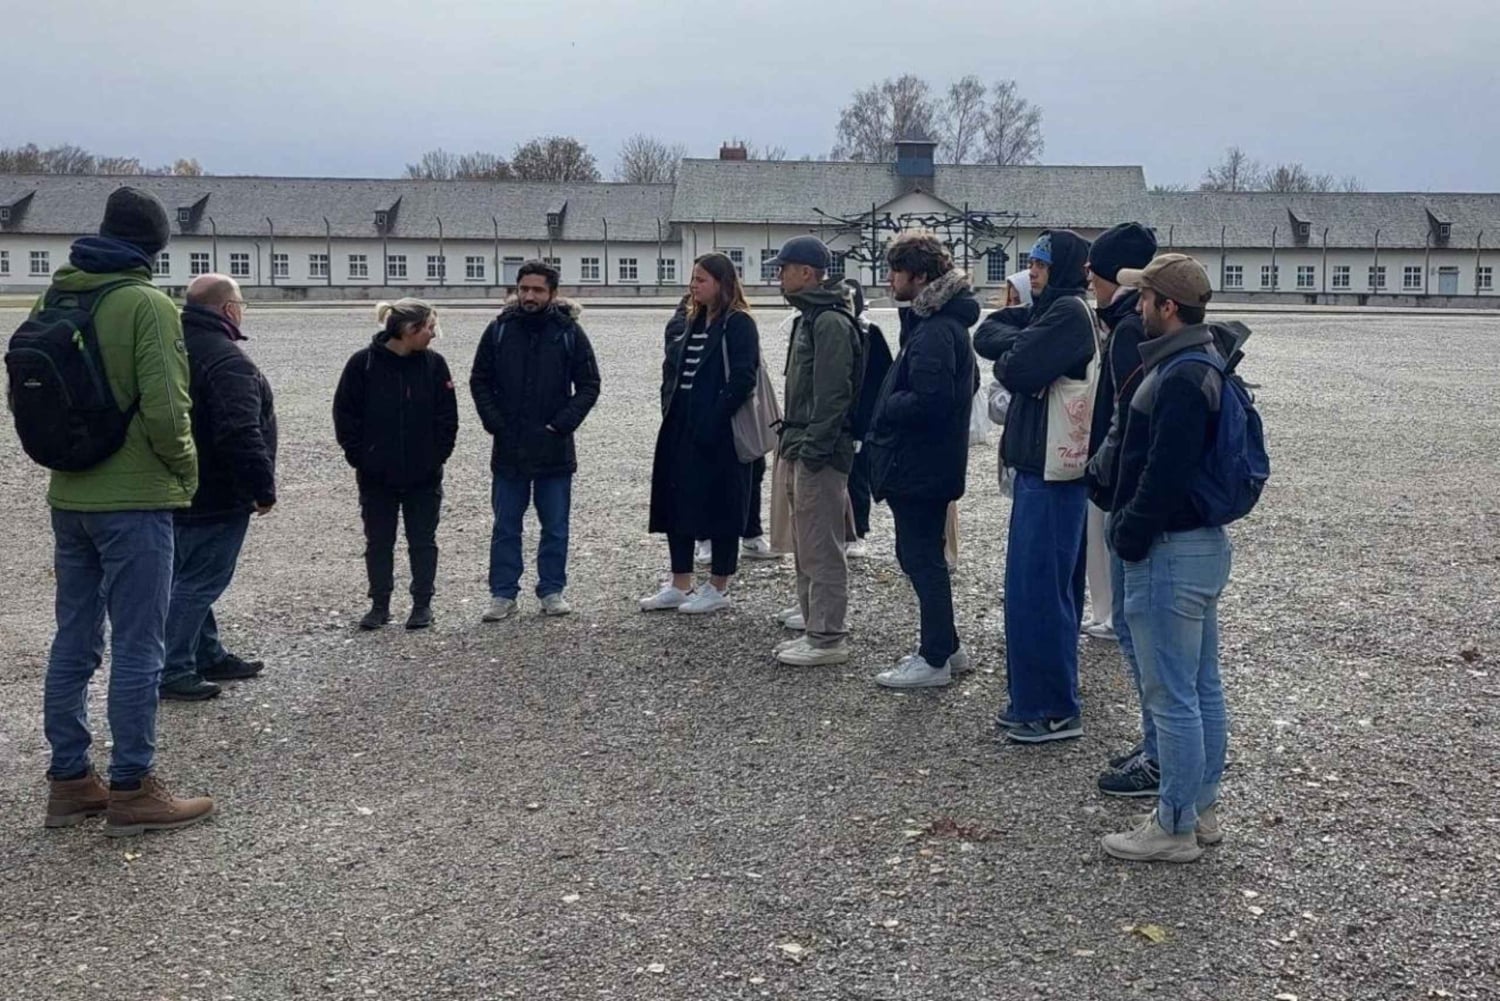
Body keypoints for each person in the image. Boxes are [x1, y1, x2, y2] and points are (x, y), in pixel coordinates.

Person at [38, 186, 214, 836]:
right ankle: (133, 786)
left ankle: (69, 781)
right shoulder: (147, 305)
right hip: (135, 499)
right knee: (140, 643)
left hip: (70, 493)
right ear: (154, 247)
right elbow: (169, 409)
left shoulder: (58, 295)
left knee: (74, 638)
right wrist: (186, 472)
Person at [1099, 253, 1231, 863]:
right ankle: (1199, 809)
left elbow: (1164, 472)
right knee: (1200, 687)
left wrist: (1129, 531)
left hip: (1169, 551)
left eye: (1146, 298)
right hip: (1200, 545)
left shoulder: (1180, 374)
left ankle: (1174, 825)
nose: (1138, 306)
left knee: (1172, 695)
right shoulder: (1205, 362)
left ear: (1168, 306)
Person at [974, 230, 1096, 743]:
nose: (1034, 272)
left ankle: (1050, 707)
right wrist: (1025, 340)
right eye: (1032, 263)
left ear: (1063, 268)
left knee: (1038, 592)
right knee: (1038, 589)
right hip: (1041, 471)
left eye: (1042, 264)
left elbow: (1017, 369)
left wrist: (1021, 349)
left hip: (1052, 473)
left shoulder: (1066, 313)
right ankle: (1034, 698)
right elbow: (987, 333)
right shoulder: (1053, 312)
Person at [865, 233, 979, 689]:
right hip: (929, 464)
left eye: (896, 271)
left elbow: (933, 400)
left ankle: (934, 658)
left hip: (920, 466)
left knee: (921, 558)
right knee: (923, 554)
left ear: (920, 276)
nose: (890, 280)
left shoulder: (935, 330)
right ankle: (948, 646)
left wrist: (887, 404)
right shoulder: (938, 323)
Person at [159, 274, 278, 702]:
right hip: (218, 492)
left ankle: (206, 653)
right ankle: (173, 669)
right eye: (240, 303)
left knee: (188, 575)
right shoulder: (226, 359)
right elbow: (239, 430)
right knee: (199, 582)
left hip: (178, 484)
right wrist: (261, 487)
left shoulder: (172, 347)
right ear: (229, 309)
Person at [470, 260, 601, 621]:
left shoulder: (569, 332)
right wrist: (495, 423)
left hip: (553, 447)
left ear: (552, 293)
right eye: (524, 289)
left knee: (555, 526)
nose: (529, 296)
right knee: (505, 526)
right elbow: (479, 380)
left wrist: (561, 425)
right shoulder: (499, 330)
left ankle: (552, 589)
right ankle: (503, 593)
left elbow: (589, 384)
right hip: (509, 446)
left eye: (537, 290)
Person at [1081, 223, 1161, 798]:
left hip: (1125, 496)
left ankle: (1159, 754)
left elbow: (1128, 420)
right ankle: (1156, 743)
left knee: (1141, 636)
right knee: (1139, 635)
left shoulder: (1131, 328)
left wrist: (1105, 476)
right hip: (1123, 491)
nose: (1089, 279)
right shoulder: (1129, 322)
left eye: (1096, 270)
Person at [641, 253, 762, 614]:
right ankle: (680, 582)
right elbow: (676, 370)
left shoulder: (738, 323)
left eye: (701, 279)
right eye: (693, 278)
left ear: (722, 283)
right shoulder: (694, 320)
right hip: (681, 425)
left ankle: (719, 586)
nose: (693, 286)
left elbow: (743, 377)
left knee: (722, 505)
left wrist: (714, 418)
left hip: (720, 431)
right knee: (676, 501)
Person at [763, 236, 865, 667]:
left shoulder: (829, 322)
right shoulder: (812, 317)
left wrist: (812, 451)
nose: (778, 276)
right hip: (802, 445)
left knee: (821, 546)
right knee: (807, 543)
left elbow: (833, 396)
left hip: (818, 452)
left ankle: (827, 637)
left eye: (783, 269)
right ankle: (814, 627)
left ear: (806, 273)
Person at [333, 299, 458, 631]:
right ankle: (380, 605)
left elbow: (447, 416)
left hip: (424, 474)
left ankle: (422, 605)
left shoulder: (435, 365)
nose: (434, 334)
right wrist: (361, 457)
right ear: (408, 329)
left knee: (423, 540)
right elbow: (345, 415)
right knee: (378, 542)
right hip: (376, 476)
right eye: (429, 327)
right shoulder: (362, 364)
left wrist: (437, 456)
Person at [844, 277, 894, 560]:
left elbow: (883, 377)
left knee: (857, 476)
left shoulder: (869, 332)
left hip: (862, 414)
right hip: (836, 415)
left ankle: (858, 531)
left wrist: (872, 418)